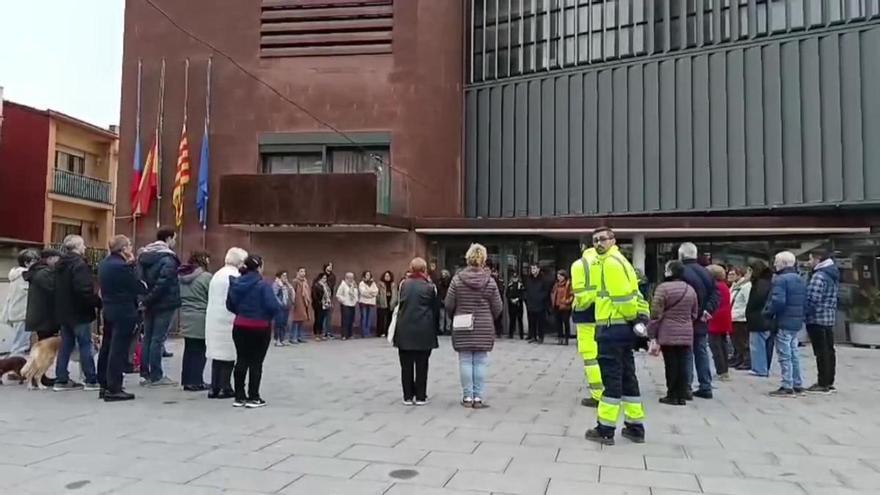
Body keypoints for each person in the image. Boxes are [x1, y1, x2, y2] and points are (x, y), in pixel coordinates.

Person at [584, 227, 650, 446]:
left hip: (611, 328)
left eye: (602, 239)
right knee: (628, 378)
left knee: (611, 380)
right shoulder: (623, 262)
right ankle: (635, 426)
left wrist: (633, 317)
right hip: (622, 330)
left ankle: (605, 429)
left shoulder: (610, 264)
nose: (598, 244)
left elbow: (623, 299)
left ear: (613, 240)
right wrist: (640, 318)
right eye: (595, 240)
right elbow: (637, 295)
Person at [445, 244, 502, 409]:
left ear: (467, 258)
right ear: (483, 260)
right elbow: (498, 307)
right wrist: (488, 317)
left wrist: (455, 315)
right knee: (480, 361)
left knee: (465, 361)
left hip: (462, 323)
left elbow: (449, 304)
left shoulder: (457, 280)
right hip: (483, 325)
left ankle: (467, 397)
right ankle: (478, 397)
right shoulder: (490, 281)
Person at [97, 235, 147, 402]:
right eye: (129, 245)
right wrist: (133, 266)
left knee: (107, 346)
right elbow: (138, 286)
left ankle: (103, 384)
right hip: (124, 311)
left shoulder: (104, 264)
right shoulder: (123, 267)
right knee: (118, 349)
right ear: (123, 248)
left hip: (109, 308)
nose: (131, 248)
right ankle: (114, 387)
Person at [226, 255, 280, 408]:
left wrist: (241, 313)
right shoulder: (263, 285)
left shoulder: (235, 283)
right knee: (256, 362)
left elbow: (229, 304)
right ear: (259, 267)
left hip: (240, 325)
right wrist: (266, 317)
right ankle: (254, 396)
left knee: (241, 359)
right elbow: (273, 306)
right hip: (260, 327)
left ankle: (239, 396)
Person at [53, 235, 102, 392]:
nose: (85, 247)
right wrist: (96, 302)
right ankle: (91, 380)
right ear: (76, 247)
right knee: (85, 345)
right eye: (82, 245)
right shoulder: (79, 265)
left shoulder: (59, 265)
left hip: (64, 312)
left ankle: (61, 379)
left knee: (65, 346)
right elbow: (83, 290)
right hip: (79, 312)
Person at [648, 260, 698, 406]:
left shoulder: (663, 288)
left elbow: (656, 312)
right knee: (683, 363)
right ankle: (682, 394)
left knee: (671, 364)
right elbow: (694, 313)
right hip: (686, 331)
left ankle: (672, 394)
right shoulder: (690, 289)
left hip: (668, 331)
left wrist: (652, 332)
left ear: (670, 272)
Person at [137, 226, 181, 387]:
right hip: (164, 302)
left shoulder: (144, 256)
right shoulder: (168, 258)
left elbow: (139, 280)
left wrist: (144, 299)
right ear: (168, 239)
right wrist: (150, 298)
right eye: (174, 238)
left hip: (148, 303)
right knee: (158, 339)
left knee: (148, 337)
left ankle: (145, 373)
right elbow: (164, 282)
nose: (175, 242)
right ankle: (156, 375)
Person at [393, 258, 440, 405]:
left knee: (405, 365)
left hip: (404, 328)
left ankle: (407, 396)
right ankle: (420, 396)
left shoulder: (403, 284)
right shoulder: (430, 287)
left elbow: (399, 304)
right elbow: (435, 309)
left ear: (411, 269)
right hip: (424, 329)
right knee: (422, 364)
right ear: (425, 269)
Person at [678, 242, 719, 400]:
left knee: (686, 352)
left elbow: (680, 294)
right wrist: (708, 310)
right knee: (701, 352)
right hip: (702, 318)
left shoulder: (681, 271)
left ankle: (686, 387)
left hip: (686, 318)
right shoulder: (706, 272)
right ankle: (706, 386)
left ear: (681, 255)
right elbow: (716, 293)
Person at [205, 247, 248, 399]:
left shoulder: (217, 274)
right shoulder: (234, 276)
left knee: (216, 356)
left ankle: (214, 387)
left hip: (213, 318)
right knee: (228, 355)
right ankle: (225, 387)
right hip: (228, 319)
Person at [765, 251, 807, 397]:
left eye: (776, 261)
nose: (775, 264)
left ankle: (787, 384)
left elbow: (778, 301)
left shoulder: (780, 280)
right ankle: (797, 383)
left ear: (783, 263)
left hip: (783, 320)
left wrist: (767, 312)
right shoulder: (800, 279)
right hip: (796, 321)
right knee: (794, 352)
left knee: (784, 354)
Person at [571, 245, 603, 407]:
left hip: (585, 315)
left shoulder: (579, 265)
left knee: (590, 357)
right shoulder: (607, 262)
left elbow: (579, 293)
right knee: (605, 353)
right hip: (605, 313)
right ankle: (612, 388)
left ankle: (597, 394)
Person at [805, 249, 840, 394]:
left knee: (821, 352)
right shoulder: (832, 274)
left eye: (810, 259)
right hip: (829, 318)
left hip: (817, 318)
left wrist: (805, 313)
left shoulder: (819, 276)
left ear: (818, 259)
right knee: (829, 350)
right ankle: (829, 380)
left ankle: (822, 382)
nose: (809, 262)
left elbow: (812, 299)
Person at [179, 251, 213, 391]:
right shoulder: (206, 277)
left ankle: (187, 380)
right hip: (200, 316)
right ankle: (196, 381)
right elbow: (211, 296)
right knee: (199, 351)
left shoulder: (182, 276)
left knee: (189, 350)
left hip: (185, 314)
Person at [1, 249, 40, 356]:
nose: (36, 264)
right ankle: (14, 369)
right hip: (21, 314)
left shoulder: (16, 274)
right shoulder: (25, 276)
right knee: (19, 346)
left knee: (19, 343)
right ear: (26, 263)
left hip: (15, 313)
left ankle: (13, 367)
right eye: (34, 261)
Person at [746, 260, 775, 377]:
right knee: (765, 344)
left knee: (757, 345)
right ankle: (763, 367)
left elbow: (756, 300)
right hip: (766, 319)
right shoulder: (768, 281)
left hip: (758, 318)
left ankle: (759, 368)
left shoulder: (759, 283)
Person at [706, 265, 733, 382]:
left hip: (715, 318)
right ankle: (724, 370)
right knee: (722, 344)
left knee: (715, 346)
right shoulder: (724, 286)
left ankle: (721, 371)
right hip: (724, 317)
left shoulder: (714, 286)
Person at [729, 267, 752, 370]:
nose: (730, 276)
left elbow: (747, 303)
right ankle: (738, 358)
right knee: (735, 341)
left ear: (739, 275)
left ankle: (746, 360)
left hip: (741, 318)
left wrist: (742, 314)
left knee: (742, 341)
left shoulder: (746, 286)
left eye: (733, 274)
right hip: (733, 316)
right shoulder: (735, 286)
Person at [524, 264, 550, 344]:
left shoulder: (544, 279)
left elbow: (546, 291)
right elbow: (526, 290)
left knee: (540, 322)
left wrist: (540, 298)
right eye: (531, 268)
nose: (533, 270)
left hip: (540, 304)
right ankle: (533, 336)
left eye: (534, 268)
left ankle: (541, 337)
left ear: (538, 269)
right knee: (532, 321)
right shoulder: (529, 279)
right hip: (531, 304)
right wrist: (527, 299)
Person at [551, 270, 573, 346]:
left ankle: (566, 338)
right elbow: (553, 292)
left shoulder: (568, 284)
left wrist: (566, 301)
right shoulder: (556, 284)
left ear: (564, 276)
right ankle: (560, 338)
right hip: (557, 306)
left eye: (560, 276)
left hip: (565, 307)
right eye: (558, 276)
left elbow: (572, 295)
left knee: (566, 322)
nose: (559, 277)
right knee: (558, 323)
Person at [290, 267, 312, 344]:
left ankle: (300, 336)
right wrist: (293, 302)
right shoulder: (295, 282)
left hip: (304, 302)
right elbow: (292, 292)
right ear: (297, 272)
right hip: (297, 303)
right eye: (301, 271)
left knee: (301, 320)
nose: (303, 273)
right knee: (296, 320)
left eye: (304, 271)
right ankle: (293, 337)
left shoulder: (305, 282)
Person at [272, 270, 293, 346]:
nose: (285, 277)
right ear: (279, 277)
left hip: (286, 306)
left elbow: (291, 292)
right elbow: (274, 295)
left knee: (284, 323)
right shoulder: (276, 284)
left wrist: (288, 284)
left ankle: (282, 339)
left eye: (286, 276)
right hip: (279, 307)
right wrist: (280, 303)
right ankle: (276, 340)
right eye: (284, 276)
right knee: (278, 323)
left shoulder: (285, 285)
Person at [336, 272, 359, 340]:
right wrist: (344, 300)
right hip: (345, 305)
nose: (351, 279)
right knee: (345, 320)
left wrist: (355, 300)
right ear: (346, 278)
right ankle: (344, 335)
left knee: (351, 320)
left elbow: (356, 293)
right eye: (350, 277)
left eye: (352, 277)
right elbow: (338, 295)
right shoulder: (343, 285)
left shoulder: (354, 285)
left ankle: (350, 334)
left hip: (352, 304)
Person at [377, 271, 399, 338]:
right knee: (381, 319)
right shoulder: (380, 284)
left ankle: (388, 332)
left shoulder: (393, 284)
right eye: (386, 276)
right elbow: (377, 294)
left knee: (390, 318)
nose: (387, 277)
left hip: (391, 303)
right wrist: (379, 300)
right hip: (382, 303)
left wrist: (395, 301)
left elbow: (396, 293)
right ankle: (380, 332)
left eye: (388, 276)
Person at [312, 273, 333, 340]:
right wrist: (319, 302)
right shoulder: (317, 285)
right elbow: (314, 296)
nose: (325, 279)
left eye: (326, 278)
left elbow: (329, 294)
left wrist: (329, 301)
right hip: (319, 305)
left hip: (326, 304)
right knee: (318, 319)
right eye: (323, 278)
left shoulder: (326, 285)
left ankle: (321, 334)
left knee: (323, 319)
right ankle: (317, 334)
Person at [358, 271, 379, 338]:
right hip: (363, 302)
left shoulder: (373, 283)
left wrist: (369, 292)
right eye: (367, 275)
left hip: (371, 302)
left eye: (369, 275)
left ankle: (368, 332)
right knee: (364, 317)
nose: (368, 276)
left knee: (369, 317)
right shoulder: (362, 283)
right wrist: (371, 293)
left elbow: (376, 292)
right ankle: (363, 332)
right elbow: (363, 292)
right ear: (364, 276)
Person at [505, 271, 525, 340]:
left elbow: (523, 294)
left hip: (519, 304)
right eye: (514, 278)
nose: (515, 279)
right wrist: (511, 299)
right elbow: (507, 294)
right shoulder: (510, 285)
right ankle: (511, 334)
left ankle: (521, 335)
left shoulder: (521, 285)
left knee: (520, 320)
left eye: (516, 278)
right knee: (512, 320)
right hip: (511, 304)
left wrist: (517, 299)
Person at [322, 263, 337, 337]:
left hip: (330, 297)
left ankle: (328, 332)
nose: (330, 267)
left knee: (329, 315)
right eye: (329, 266)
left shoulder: (332, 276)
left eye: (331, 266)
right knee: (323, 315)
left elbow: (332, 285)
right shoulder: (322, 275)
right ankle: (323, 332)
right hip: (323, 297)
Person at [438, 270, 452, 335]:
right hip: (442, 300)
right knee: (442, 316)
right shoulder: (440, 283)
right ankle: (443, 328)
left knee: (446, 316)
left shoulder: (449, 283)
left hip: (446, 300)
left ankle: (446, 328)